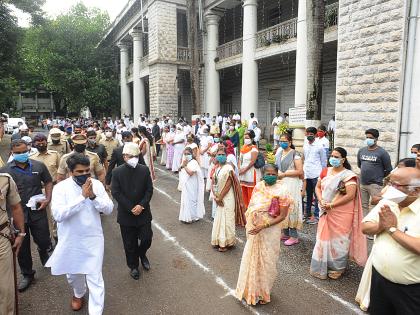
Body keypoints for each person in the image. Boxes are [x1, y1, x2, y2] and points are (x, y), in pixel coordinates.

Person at [46, 154, 112, 313]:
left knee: (95, 277)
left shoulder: (96, 184)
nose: (84, 175)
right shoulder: (60, 188)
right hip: (70, 238)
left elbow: (109, 209)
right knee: (73, 274)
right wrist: (82, 197)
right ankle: (78, 293)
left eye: (87, 171)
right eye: (80, 172)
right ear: (70, 171)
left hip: (92, 238)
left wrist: (93, 197)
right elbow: (58, 215)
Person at [359, 167, 420, 314]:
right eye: (389, 183)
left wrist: (392, 229)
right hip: (379, 280)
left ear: (416, 190)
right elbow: (364, 227)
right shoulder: (389, 201)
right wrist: (380, 225)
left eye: (396, 185)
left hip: (410, 290)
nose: (390, 189)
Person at [235, 164, 292, 305]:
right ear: (263, 173)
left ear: (277, 174)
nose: (270, 176)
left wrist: (264, 225)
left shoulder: (283, 190)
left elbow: (283, 216)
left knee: (267, 261)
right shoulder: (259, 186)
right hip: (255, 229)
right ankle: (251, 290)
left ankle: (263, 292)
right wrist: (252, 221)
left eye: (273, 174)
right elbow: (253, 205)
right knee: (251, 257)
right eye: (268, 173)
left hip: (270, 230)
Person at [1, 139, 53, 292]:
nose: (22, 154)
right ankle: (27, 274)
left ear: (28, 150)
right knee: (22, 246)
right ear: (12, 153)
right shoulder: (5, 171)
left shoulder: (38, 166)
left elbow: (48, 181)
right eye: (18, 153)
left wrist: (48, 198)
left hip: (38, 211)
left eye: (24, 151)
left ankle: (44, 253)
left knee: (44, 240)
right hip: (17, 215)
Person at [310, 147, 367, 280]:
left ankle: (337, 268)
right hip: (325, 209)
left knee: (339, 241)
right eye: (332, 156)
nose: (333, 159)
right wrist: (321, 200)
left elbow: (350, 195)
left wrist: (331, 205)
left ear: (343, 159)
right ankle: (321, 264)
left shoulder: (348, 175)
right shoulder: (325, 171)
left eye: (336, 157)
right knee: (323, 238)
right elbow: (317, 187)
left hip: (341, 213)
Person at [111, 143, 154, 280]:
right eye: (127, 156)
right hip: (126, 214)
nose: (129, 158)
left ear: (137, 156)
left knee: (146, 238)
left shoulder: (144, 170)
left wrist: (141, 205)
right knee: (129, 243)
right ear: (123, 157)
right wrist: (131, 207)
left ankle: (142, 254)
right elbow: (116, 192)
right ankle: (133, 266)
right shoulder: (117, 172)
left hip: (143, 212)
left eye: (133, 156)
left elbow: (149, 190)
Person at [211, 146, 246, 251]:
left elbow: (228, 184)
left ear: (226, 156)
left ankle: (226, 243)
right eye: (219, 154)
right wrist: (216, 197)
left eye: (223, 154)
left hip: (227, 197)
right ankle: (219, 240)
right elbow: (215, 183)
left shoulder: (229, 168)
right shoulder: (217, 168)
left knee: (227, 219)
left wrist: (220, 198)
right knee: (219, 218)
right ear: (216, 156)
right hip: (219, 197)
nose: (221, 156)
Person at [0, 174, 25, 315]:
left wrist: (21, 234)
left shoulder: (5, 180)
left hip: (2, 238)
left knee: (5, 287)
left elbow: (16, 207)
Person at [275, 133, 304, 246]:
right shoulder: (279, 152)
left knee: (292, 207)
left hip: (292, 183)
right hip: (281, 183)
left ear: (290, 142)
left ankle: (294, 236)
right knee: (282, 206)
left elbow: (300, 171)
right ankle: (285, 232)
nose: (282, 143)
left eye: (285, 141)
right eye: (281, 141)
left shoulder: (295, 154)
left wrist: (285, 174)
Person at [357, 128, 393, 214]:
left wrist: (379, 177)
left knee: (375, 206)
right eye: (367, 137)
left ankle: (374, 224)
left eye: (370, 137)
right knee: (363, 206)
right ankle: (365, 225)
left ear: (376, 139)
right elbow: (359, 165)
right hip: (363, 183)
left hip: (375, 185)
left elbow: (388, 169)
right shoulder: (361, 151)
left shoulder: (382, 153)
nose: (368, 139)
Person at [303, 127, 327, 224]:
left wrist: (323, 175)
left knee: (317, 195)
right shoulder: (305, 145)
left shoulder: (319, 146)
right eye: (308, 134)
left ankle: (317, 216)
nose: (309, 135)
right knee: (308, 196)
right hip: (307, 173)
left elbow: (324, 161)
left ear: (315, 134)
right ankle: (307, 214)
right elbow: (304, 158)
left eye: (311, 134)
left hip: (317, 174)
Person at [178, 147, 205, 223]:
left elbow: (190, 173)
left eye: (188, 154)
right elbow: (179, 169)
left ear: (191, 154)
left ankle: (193, 217)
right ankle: (186, 217)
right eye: (185, 154)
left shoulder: (194, 162)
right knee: (186, 200)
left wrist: (184, 166)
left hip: (193, 184)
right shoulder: (185, 161)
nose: (186, 155)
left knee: (192, 199)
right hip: (186, 184)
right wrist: (182, 165)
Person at [239, 131, 260, 208]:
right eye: (245, 138)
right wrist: (239, 169)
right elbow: (240, 159)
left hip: (250, 172)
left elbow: (252, 162)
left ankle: (251, 209)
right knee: (243, 190)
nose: (245, 139)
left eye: (247, 138)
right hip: (242, 172)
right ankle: (245, 209)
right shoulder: (243, 148)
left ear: (251, 138)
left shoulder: (254, 148)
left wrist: (244, 170)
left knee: (250, 192)